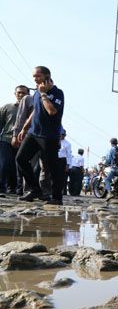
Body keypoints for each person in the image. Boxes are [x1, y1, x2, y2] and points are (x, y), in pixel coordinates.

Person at [16, 66, 65, 205]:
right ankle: (35, 189)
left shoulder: (58, 93)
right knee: (20, 159)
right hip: (33, 133)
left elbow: (52, 111)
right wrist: (25, 128)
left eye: (38, 76)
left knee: (52, 167)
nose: (35, 79)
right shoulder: (37, 92)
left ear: (47, 76)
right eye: (34, 77)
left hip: (49, 136)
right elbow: (35, 111)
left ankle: (57, 197)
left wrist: (43, 94)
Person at [0, 85, 29, 194]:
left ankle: (15, 188)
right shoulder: (7, 107)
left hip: (24, 141)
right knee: (4, 164)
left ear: (28, 95)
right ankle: (1, 188)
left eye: (23, 93)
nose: (20, 95)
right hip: (6, 140)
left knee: (18, 167)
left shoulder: (32, 109)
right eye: (18, 93)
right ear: (15, 94)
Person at [57, 128, 72, 195]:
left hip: (63, 160)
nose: (61, 136)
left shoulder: (67, 144)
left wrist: (68, 165)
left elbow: (69, 155)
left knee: (63, 177)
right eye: (60, 134)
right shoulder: (56, 141)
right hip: (55, 159)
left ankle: (63, 190)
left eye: (63, 135)